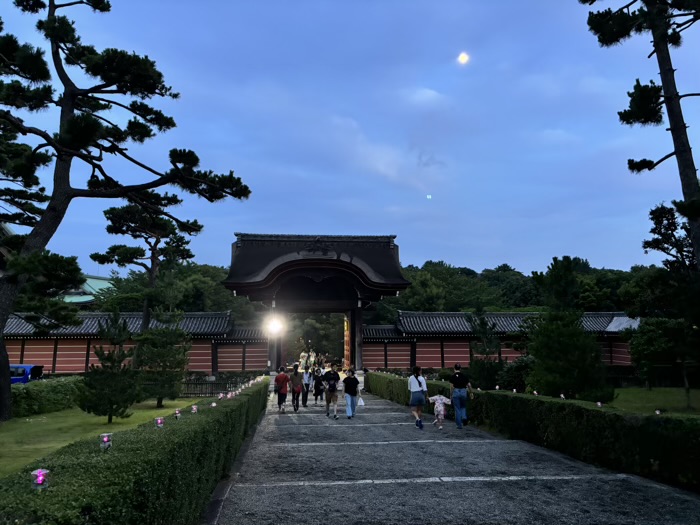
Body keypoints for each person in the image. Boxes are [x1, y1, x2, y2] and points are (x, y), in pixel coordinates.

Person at [449, 363, 472, 429]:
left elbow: (451, 387)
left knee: (457, 408)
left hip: (456, 392)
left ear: (454, 369)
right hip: (463, 391)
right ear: (460, 369)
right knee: (463, 406)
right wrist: (471, 392)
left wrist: (451, 394)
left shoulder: (452, 377)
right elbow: (469, 385)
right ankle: (464, 417)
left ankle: (459, 425)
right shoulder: (464, 376)